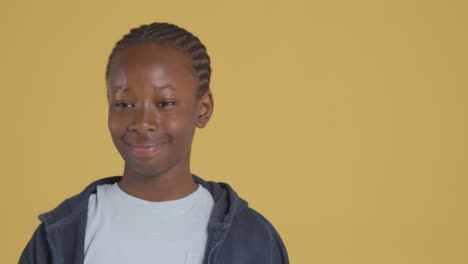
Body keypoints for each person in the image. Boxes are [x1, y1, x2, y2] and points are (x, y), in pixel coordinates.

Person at [19, 22, 289, 264]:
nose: (142, 121)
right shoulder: (60, 234)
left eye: (165, 103)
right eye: (124, 104)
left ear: (203, 109)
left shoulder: (252, 239)